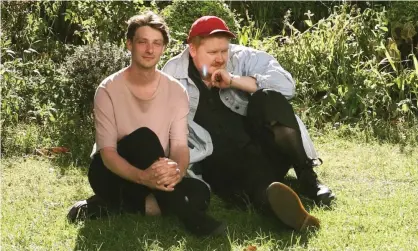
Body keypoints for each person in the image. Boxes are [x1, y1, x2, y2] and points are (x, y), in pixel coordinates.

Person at [163, 16, 336, 230]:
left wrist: (234, 80)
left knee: (269, 97)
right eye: (212, 53)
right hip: (222, 162)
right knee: (256, 183)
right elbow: (163, 123)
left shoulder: (242, 57)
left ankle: (308, 180)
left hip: (263, 145)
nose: (220, 58)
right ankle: (285, 211)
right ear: (192, 49)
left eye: (223, 51)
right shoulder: (172, 74)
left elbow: (286, 87)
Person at [67, 12, 225, 237]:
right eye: (143, 42)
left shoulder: (176, 91)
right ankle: (194, 220)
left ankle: (105, 207)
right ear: (129, 44)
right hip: (112, 173)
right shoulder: (107, 90)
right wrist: (143, 177)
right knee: (143, 138)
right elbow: (108, 153)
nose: (150, 50)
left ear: (163, 48)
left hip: (156, 177)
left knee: (200, 192)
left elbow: (180, 146)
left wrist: (177, 174)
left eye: (157, 43)